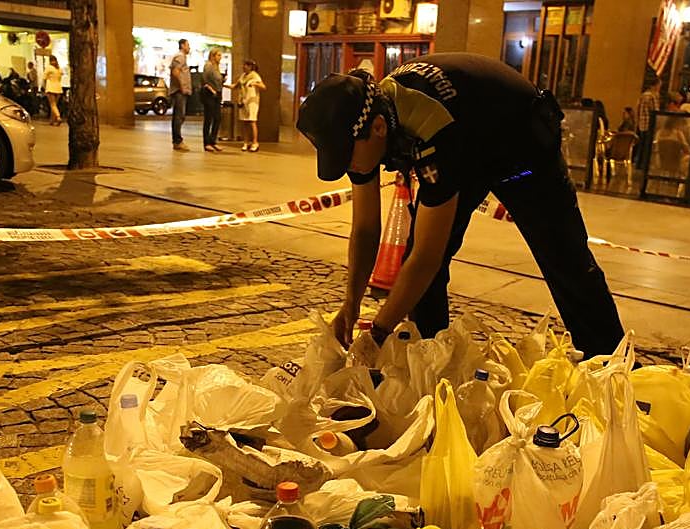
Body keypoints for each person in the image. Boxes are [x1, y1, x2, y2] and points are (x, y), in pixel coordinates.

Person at [296, 55, 624, 358]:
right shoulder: (363, 126)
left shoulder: (429, 126)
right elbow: (366, 228)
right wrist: (350, 305)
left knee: (565, 259)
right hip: (468, 142)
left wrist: (378, 334)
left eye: (346, 156)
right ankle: (430, 360)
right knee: (418, 272)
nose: (348, 166)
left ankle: (610, 364)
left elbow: (427, 256)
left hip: (521, 150)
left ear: (379, 128)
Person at [235, 59, 265, 151]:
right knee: (245, 122)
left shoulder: (255, 75)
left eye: (246, 65)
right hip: (244, 101)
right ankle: (246, 142)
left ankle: (255, 142)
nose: (244, 67)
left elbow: (263, 86)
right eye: (243, 65)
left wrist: (255, 83)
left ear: (251, 67)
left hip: (252, 102)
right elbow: (235, 86)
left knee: (252, 121)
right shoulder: (243, 76)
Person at [169, 38, 193, 151]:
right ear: (182, 45)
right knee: (179, 116)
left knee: (179, 116)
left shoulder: (181, 57)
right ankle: (177, 141)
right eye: (188, 45)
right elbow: (176, 72)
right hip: (179, 92)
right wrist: (182, 86)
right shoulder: (180, 57)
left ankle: (177, 140)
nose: (189, 47)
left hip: (181, 91)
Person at [201, 49, 225, 152]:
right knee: (209, 118)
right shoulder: (208, 66)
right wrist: (212, 90)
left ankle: (213, 140)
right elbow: (205, 81)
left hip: (217, 94)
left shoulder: (217, 68)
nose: (220, 57)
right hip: (209, 94)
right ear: (213, 55)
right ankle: (207, 143)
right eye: (218, 55)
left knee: (218, 118)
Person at [636, 78, 661, 170]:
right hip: (649, 124)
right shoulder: (652, 96)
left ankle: (639, 163)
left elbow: (638, 109)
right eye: (658, 86)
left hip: (642, 124)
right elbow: (655, 111)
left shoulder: (643, 96)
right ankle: (645, 165)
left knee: (641, 146)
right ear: (654, 85)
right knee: (647, 146)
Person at [44, 55, 64, 126]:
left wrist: (44, 87)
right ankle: (52, 120)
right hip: (58, 88)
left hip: (50, 87)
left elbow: (44, 78)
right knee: (55, 105)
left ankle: (58, 117)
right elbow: (60, 78)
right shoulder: (59, 69)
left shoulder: (49, 68)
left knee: (52, 104)